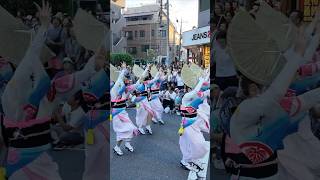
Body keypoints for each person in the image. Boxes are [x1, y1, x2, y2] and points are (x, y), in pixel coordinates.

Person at [111, 64, 138, 156]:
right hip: (117, 114)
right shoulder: (114, 90)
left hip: (123, 113)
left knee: (131, 128)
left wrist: (146, 70)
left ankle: (127, 143)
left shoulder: (127, 89)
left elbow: (137, 83)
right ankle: (117, 147)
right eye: (126, 80)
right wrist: (123, 69)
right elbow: (120, 78)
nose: (128, 81)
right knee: (123, 130)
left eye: (128, 80)